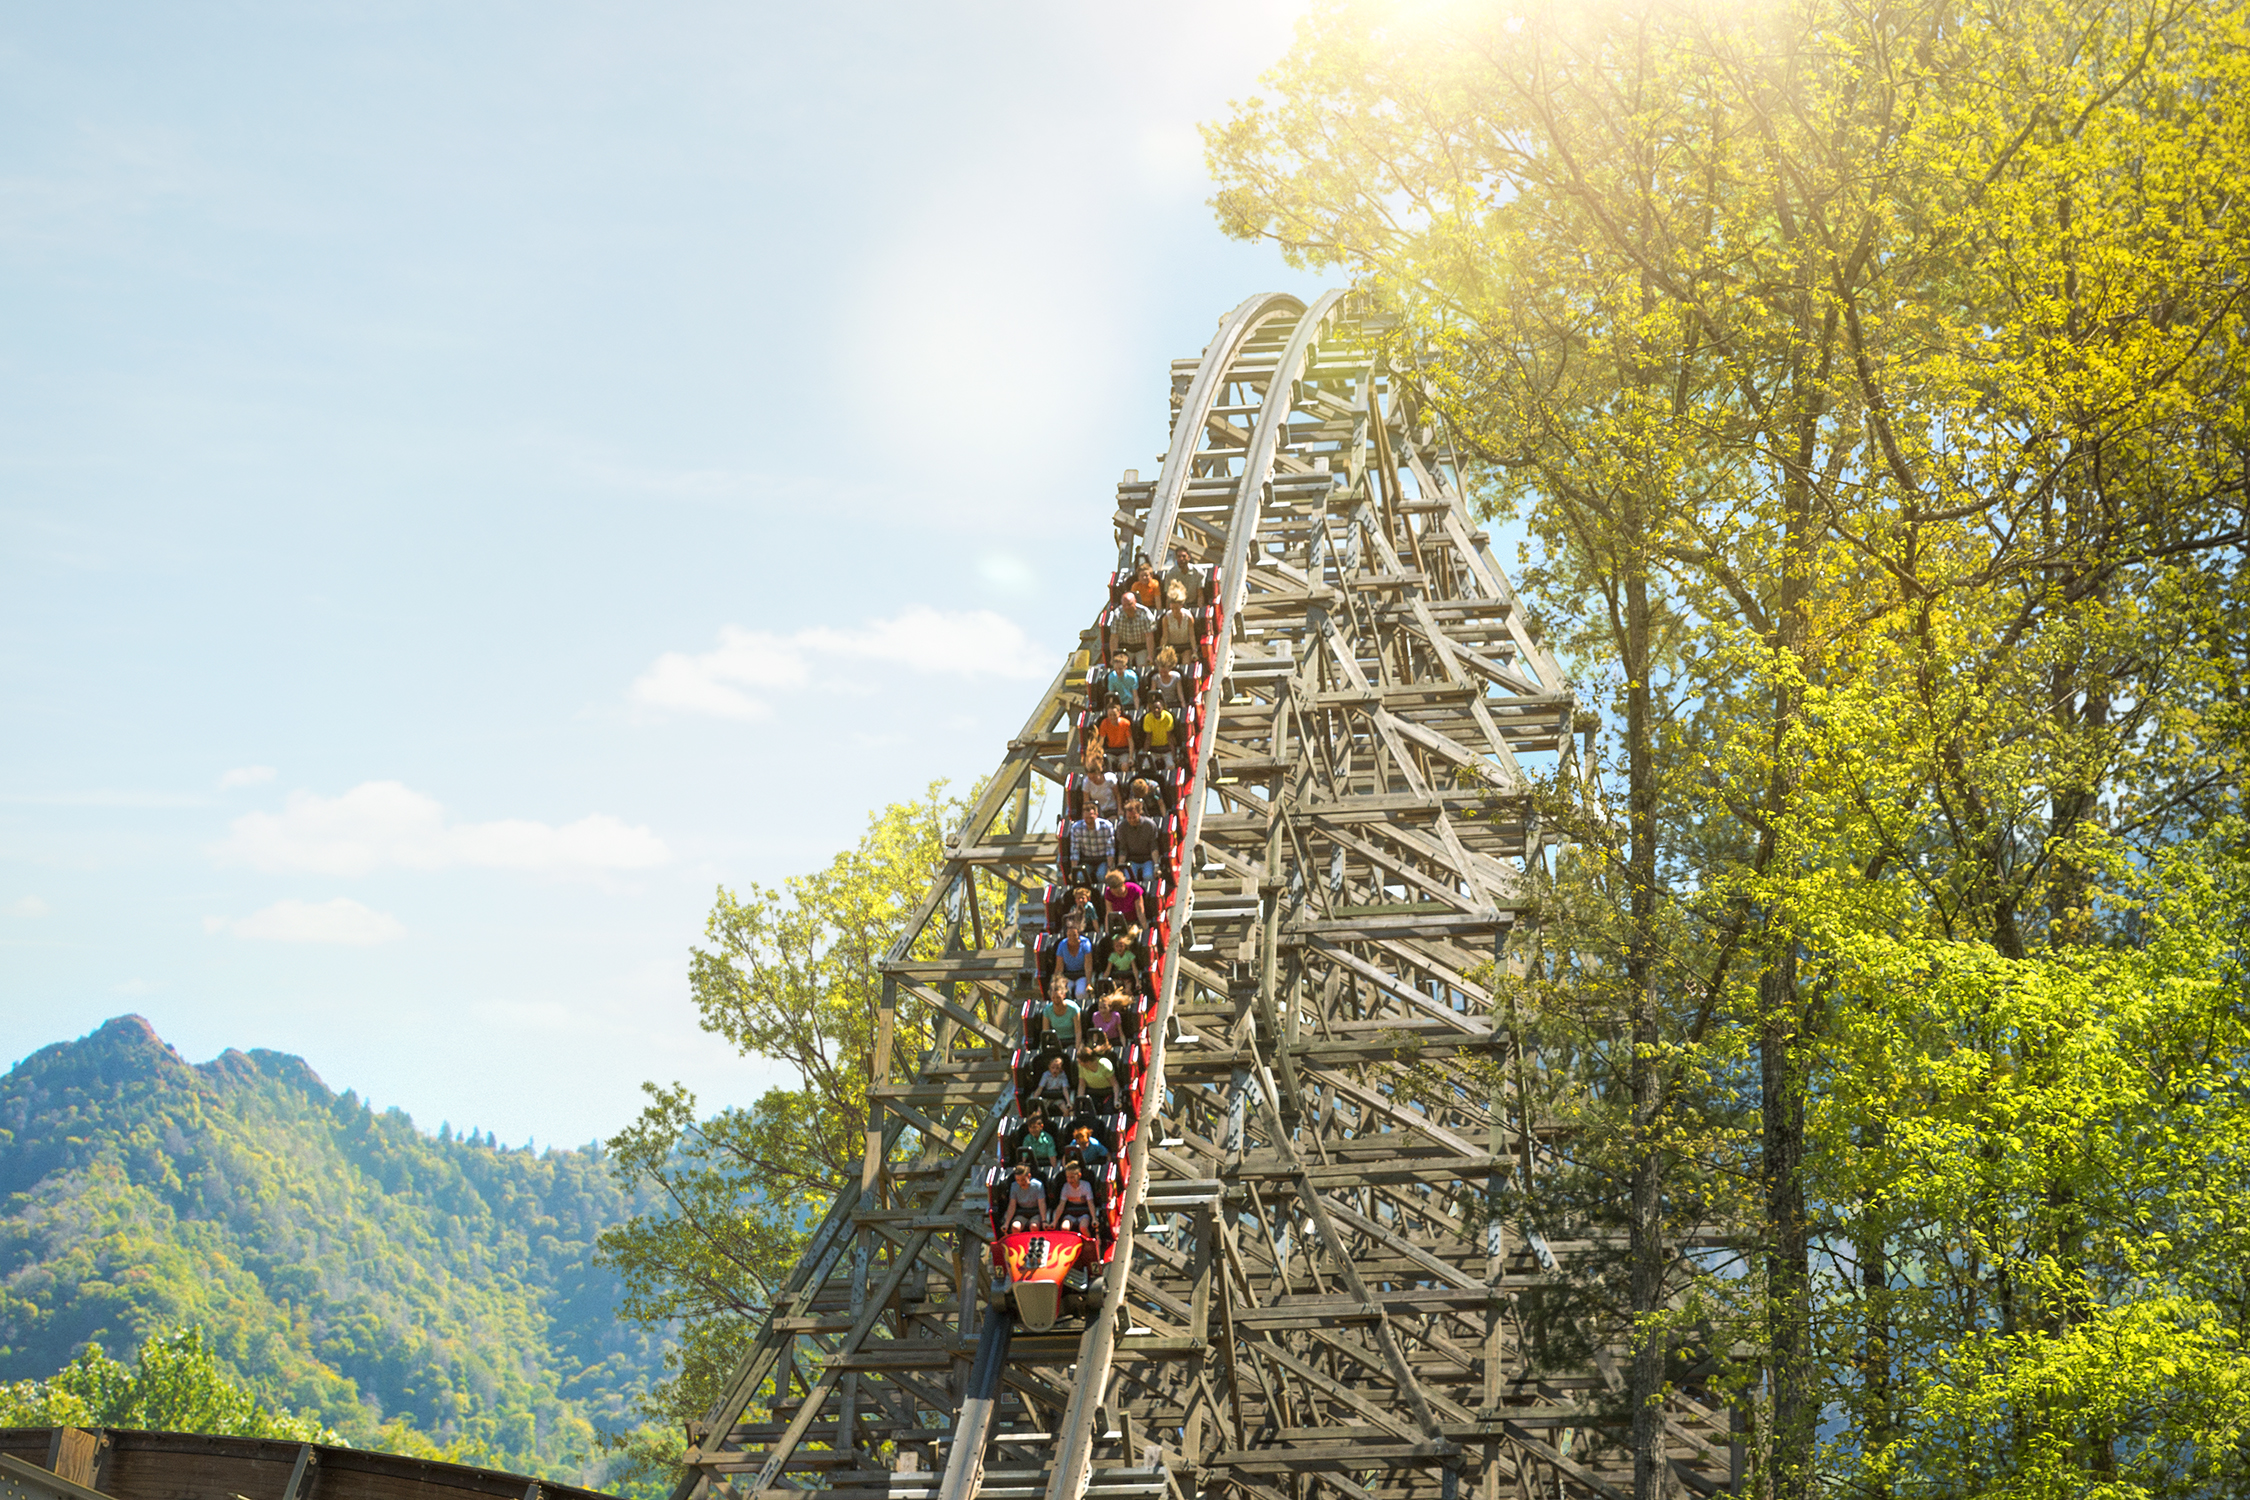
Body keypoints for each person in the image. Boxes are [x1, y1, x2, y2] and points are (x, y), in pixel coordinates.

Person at [1114, 799, 1162, 889]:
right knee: (1129, 879)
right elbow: (1122, 849)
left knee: (1148, 877)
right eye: (1129, 818)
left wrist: (1156, 865)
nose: (1132, 820)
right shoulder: (1122, 827)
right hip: (1131, 860)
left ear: (1139, 814)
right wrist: (1120, 867)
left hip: (1147, 858)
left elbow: (1154, 846)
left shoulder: (1149, 825)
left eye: (1134, 817)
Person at [1069, 805, 1115, 889]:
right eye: (1086, 818)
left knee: (1102, 876)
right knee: (1080, 877)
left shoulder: (1106, 826)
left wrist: (1110, 868)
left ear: (1096, 815)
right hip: (1087, 859)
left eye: (1091, 818)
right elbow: (1075, 850)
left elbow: (1110, 849)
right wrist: (1073, 871)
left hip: (1103, 859)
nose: (1088, 821)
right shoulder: (1077, 828)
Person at [1075, 1033, 1120, 1115]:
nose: (1078, 1062)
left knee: (1108, 1111)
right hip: (1093, 1093)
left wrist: (1116, 1100)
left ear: (1087, 1062)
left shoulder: (1104, 1066)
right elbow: (1082, 1085)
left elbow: (1115, 1084)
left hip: (1107, 1093)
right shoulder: (1081, 1067)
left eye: (1080, 1061)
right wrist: (1080, 1103)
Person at [1110, 593, 1156, 670]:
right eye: (1124, 605)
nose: (1127, 607)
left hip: (1142, 647)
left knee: (1143, 668)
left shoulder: (1144, 613)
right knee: (1122, 668)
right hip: (1126, 648)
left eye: (1130, 604)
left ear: (1135, 602)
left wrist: (1150, 655)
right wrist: (1113, 657)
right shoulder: (1117, 614)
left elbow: (1149, 636)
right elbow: (1114, 637)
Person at [1040, 963, 1085, 1039]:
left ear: (1064, 996)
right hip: (1056, 1041)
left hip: (1071, 1040)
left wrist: (1077, 1049)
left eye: (1058, 998)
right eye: (1053, 998)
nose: (1056, 1000)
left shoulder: (1073, 1008)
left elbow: (1078, 1032)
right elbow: (1046, 1032)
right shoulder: (1047, 1010)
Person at [1052, 1161, 1098, 1236]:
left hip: (1083, 1213)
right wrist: (1054, 1221)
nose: (1070, 1180)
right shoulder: (1066, 1187)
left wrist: (1094, 1218)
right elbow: (1061, 1205)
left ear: (1079, 1175)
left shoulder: (1086, 1185)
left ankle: (1089, 1243)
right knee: (1064, 1228)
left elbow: (1090, 1203)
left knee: (1083, 1228)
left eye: (1072, 1177)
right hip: (1070, 1213)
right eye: (1068, 1177)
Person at [1158, 582, 1199, 665]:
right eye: (1172, 608)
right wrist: (1162, 650)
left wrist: (1195, 651)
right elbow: (1165, 636)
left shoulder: (1188, 617)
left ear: (1181, 605)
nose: (1174, 611)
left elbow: (1192, 636)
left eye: (1176, 608)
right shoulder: (1166, 618)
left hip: (1185, 647)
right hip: (1171, 647)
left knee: (1186, 663)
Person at [1005, 1163, 1048, 1234]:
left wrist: (1044, 1221)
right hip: (1021, 1213)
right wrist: (1006, 1223)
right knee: (1015, 1227)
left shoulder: (1037, 1185)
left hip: (1035, 1212)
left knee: (1034, 1226)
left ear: (1029, 1176)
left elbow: (1041, 1203)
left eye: (1022, 1180)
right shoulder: (1014, 1186)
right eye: (1018, 1180)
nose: (1020, 1183)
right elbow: (1012, 1205)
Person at [1097, 700, 1136, 775]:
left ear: (1119, 713)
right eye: (1110, 715)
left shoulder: (1125, 723)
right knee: (1106, 766)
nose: (1112, 717)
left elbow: (1130, 742)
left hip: (1123, 751)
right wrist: (1098, 755)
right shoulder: (1105, 723)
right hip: (1111, 751)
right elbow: (1101, 741)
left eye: (1114, 715)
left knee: (1125, 766)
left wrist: (1131, 757)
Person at [1139, 698, 1177, 773]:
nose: (1156, 710)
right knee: (1145, 766)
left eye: (1158, 708)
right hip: (1153, 750)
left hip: (1166, 749)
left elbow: (1169, 737)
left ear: (1162, 708)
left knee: (1171, 766)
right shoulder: (1148, 718)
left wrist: (1173, 754)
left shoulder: (1168, 717)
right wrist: (1145, 753)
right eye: (1154, 708)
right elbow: (1148, 738)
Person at [1149, 648, 1188, 716]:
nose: (1163, 674)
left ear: (1170, 668)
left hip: (1174, 703)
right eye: (1161, 672)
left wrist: (1183, 706)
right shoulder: (1155, 679)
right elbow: (1153, 695)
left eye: (1165, 672)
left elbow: (1180, 694)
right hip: (1161, 705)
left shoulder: (1176, 677)